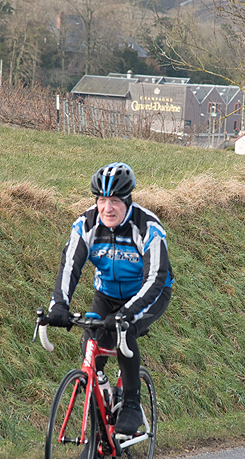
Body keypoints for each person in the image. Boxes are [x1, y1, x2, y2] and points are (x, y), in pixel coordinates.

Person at [46, 162, 174, 435]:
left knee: (124, 331)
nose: (108, 208)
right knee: (92, 346)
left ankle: (131, 403)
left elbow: (155, 278)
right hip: (107, 294)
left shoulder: (148, 227)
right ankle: (98, 434)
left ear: (127, 201)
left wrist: (127, 314)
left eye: (115, 200)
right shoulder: (86, 225)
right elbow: (70, 267)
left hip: (149, 294)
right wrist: (59, 305)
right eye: (102, 200)